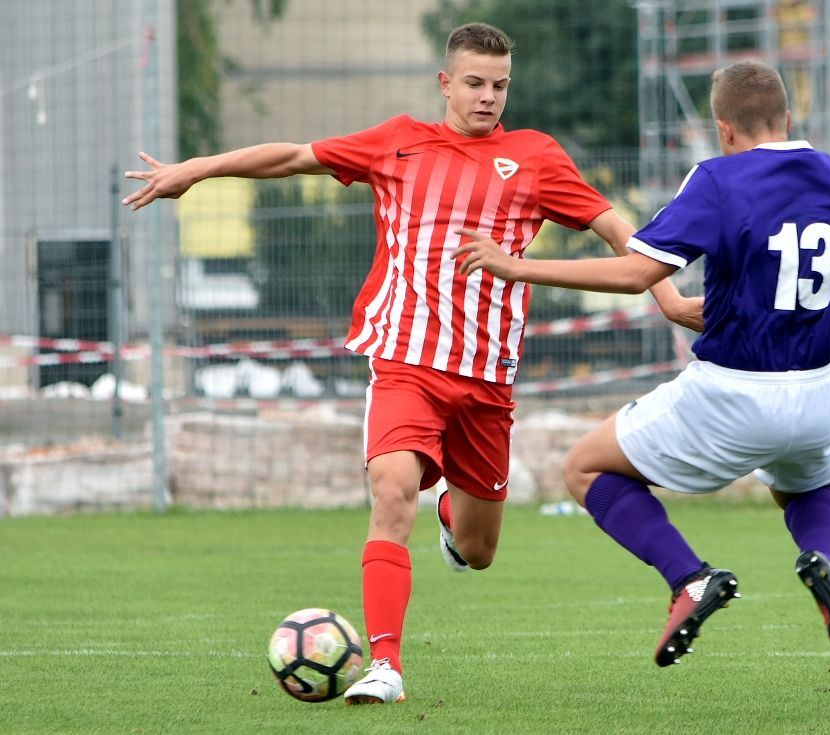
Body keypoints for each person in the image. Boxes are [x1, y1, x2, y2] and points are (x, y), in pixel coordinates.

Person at [123, 22, 702, 702]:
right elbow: (292, 157)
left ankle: (455, 521)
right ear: (446, 83)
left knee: (481, 550)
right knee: (392, 490)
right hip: (405, 363)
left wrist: (664, 293)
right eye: (476, 84)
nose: (489, 98)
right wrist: (196, 169)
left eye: (500, 86)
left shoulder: (536, 156)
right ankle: (386, 665)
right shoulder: (397, 140)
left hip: (486, 379)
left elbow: (615, 229)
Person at [454, 59, 830, 667]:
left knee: (585, 469)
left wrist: (516, 265)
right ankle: (826, 564)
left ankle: (688, 577)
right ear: (788, 118)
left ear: (724, 129)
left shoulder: (719, 179)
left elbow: (639, 272)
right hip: (818, 393)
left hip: (732, 392)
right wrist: (810, 325)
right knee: (811, 488)